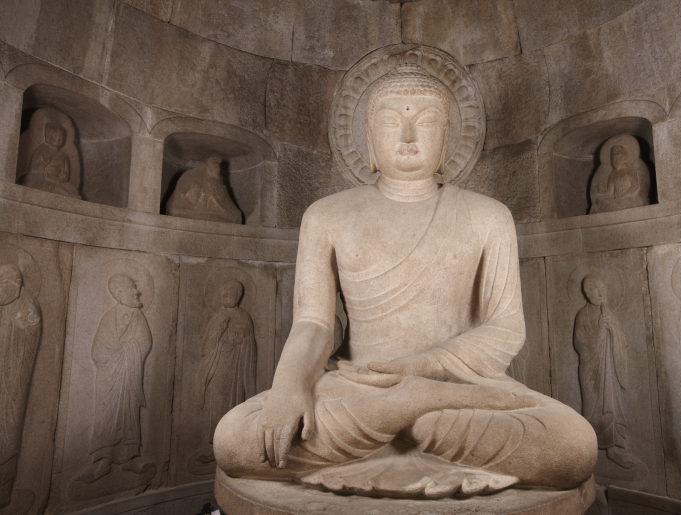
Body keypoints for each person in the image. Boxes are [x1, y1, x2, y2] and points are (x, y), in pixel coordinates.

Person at [214, 64, 597, 496]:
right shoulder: (326, 216)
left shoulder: (489, 216)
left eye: (427, 121)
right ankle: (411, 407)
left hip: (460, 386)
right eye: (391, 121)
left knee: (572, 447)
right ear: (368, 138)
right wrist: (288, 388)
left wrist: (421, 369)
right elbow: (314, 323)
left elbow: (506, 327)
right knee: (235, 440)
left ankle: (410, 408)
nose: (409, 135)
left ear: (447, 139)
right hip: (358, 385)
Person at [77, 274, 154, 484]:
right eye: (132, 288)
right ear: (120, 294)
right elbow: (97, 350)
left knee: (130, 414)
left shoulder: (138, 316)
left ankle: (129, 458)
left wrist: (129, 349)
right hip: (109, 376)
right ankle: (103, 461)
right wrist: (116, 352)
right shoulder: (109, 317)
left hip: (129, 374)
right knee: (107, 416)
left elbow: (145, 342)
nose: (137, 291)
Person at [192, 280, 256, 465]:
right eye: (224, 292)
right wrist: (221, 333)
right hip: (220, 364)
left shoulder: (245, 317)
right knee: (218, 403)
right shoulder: (219, 317)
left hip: (238, 368)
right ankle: (216, 446)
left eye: (231, 292)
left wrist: (243, 341)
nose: (226, 295)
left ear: (239, 296)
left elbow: (251, 344)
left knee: (237, 405)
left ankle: (235, 445)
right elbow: (207, 346)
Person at [574, 272, 634, 468]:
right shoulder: (582, 315)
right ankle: (590, 448)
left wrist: (612, 329)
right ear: (587, 292)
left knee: (610, 406)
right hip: (590, 369)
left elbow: (621, 340)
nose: (600, 294)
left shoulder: (608, 314)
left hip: (608, 367)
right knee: (592, 408)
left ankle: (612, 450)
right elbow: (579, 344)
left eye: (602, 289)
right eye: (595, 290)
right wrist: (599, 332)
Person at [0, 265, 41, 508]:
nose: (11, 289)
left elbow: (30, 332)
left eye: (15, 284)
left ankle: (3, 491)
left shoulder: (26, 306)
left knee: (8, 436)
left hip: (10, 385)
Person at [166, 157, 242, 224]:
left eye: (218, 167)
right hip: (187, 205)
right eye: (215, 166)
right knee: (196, 186)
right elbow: (181, 192)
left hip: (213, 209)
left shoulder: (218, 178)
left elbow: (227, 204)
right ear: (208, 167)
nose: (218, 168)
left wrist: (213, 193)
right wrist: (203, 194)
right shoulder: (192, 174)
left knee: (234, 216)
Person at [19, 122, 81, 199]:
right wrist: (44, 163)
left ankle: (57, 189)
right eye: (55, 135)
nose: (58, 139)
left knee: (75, 191)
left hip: (57, 181)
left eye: (61, 136)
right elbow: (32, 170)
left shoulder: (64, 157)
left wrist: (60, 179)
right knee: (28, 181)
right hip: (42, 178)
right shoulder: (41, 150)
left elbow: (65, 174)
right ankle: (57, 189)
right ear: (48, 135)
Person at [590, 140, 648, 214]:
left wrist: (624, 195)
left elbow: (634, 186)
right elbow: (610, 191)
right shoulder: (613, 173)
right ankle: (609, 207)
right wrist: (601, 190)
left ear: (624, 157)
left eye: (617, 157)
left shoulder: (630, 170)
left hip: (626, 198)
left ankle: (603, 209)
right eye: (613, 158)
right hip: (616, 198)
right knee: (599, 200)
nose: (614, 160)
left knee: (605, 208)